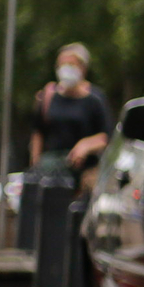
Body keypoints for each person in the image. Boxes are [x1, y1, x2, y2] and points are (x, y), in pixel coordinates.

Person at [30, 43, 114, 183]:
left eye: (71, 64)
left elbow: (106, 137)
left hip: (84, 175)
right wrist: (35, 166)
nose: (66, 70)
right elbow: (38, 133)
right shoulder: (48, 97)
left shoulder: (95, 100)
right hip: (51, 172)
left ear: (83, 68)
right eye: (62, 65)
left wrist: (85, 145)